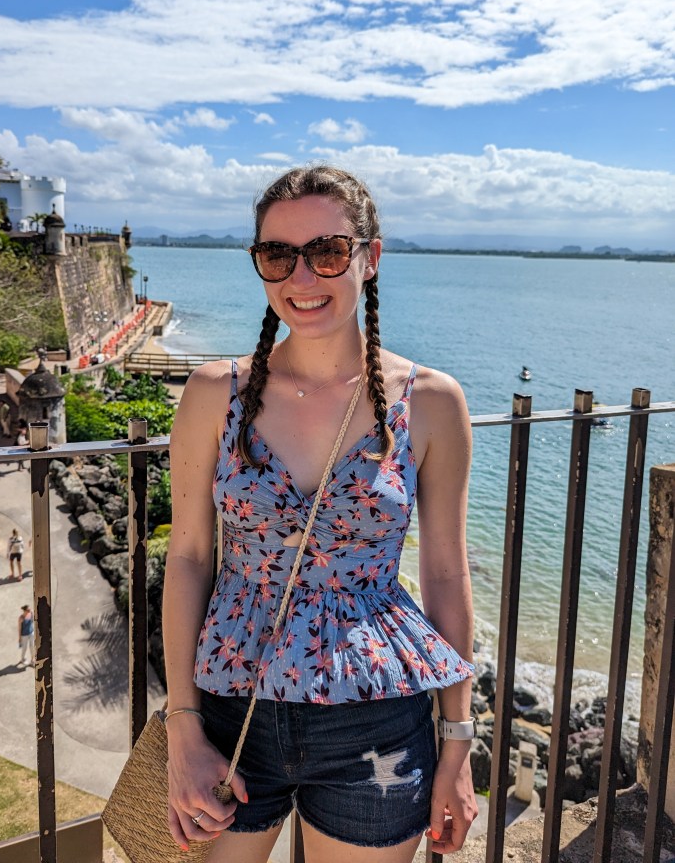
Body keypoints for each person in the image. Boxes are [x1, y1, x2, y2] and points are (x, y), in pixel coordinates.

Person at [162, 166, 477, 861]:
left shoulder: (429, 401)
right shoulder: (216, 393)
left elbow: (446, 575)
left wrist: (458, 742)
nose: (302, 278)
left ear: (370, 257)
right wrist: (181, 729)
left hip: (376, 726)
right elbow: (187, 558)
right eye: (277, 255)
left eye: (328, 251)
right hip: (229, 715)